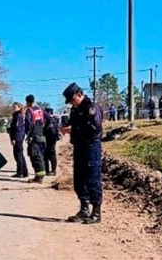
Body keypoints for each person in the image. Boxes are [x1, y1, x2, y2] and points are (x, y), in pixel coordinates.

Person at [62, 82, 103, 225]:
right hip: (79, 146)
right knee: (79, 179)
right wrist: (67, 127)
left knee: (93, 178)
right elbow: (73, 123)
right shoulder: (75, 110)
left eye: (73, 100)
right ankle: (83, 209)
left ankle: (96, 212)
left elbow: (94, 128)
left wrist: (74, 129)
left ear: (79, 94)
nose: (72, 104)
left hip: (91, 146)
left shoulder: (92, 108)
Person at [24, 94, 46, 184]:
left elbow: (28, 124)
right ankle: (39, 175)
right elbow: (48, 119)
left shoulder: (29, 111)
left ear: (28, 102)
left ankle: (39, 177)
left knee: (35, 157)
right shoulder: (40, 110)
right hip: (41, 136)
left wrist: (28, 135)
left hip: (33, 137)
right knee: (39, 156)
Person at [8, 102, 28, 179]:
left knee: (18, 155)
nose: (13, 108)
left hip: (18, 137)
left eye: (15, 107)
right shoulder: (18, 115)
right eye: (13, 107)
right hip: (19, 136)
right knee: (20, 154)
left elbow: (17, 128)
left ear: (19, 107)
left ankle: (20, 172)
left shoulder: (18, 115)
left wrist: (14, 138)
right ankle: (24, 171)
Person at [44, 107, 61, 177]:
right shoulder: (51, 120)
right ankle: (47, 170)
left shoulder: (51, 121)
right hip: (49, 140)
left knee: (51, 155)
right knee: (46, 155)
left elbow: (50, 131)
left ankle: (53, 170)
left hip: (50, 140)